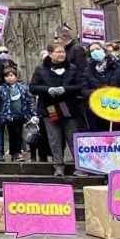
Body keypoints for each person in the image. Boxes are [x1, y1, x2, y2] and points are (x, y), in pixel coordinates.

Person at [30, 42, 84, 177]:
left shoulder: (72, 68)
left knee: (73, 137)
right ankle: (58, 167)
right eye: (58, 52)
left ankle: (80, 167)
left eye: (63, 52)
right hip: (50, 109)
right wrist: (48, 90)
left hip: (69, 108)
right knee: (55, 139)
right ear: (50, 54)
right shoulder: (40, 69)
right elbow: (33, 88)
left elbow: (80, 85)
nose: (61, 54)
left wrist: (64, 89)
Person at [0, 67, 35, 161]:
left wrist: (32, 114)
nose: (9, 78)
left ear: (16, 76)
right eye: (7, 76)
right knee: (13, 134)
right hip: (9, 115)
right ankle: (15, 153)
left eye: (11, 75)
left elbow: (29, 101)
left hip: (21, 114)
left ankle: (16, 152)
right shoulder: (2, 88)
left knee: (19, 134)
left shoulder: (23, 87)